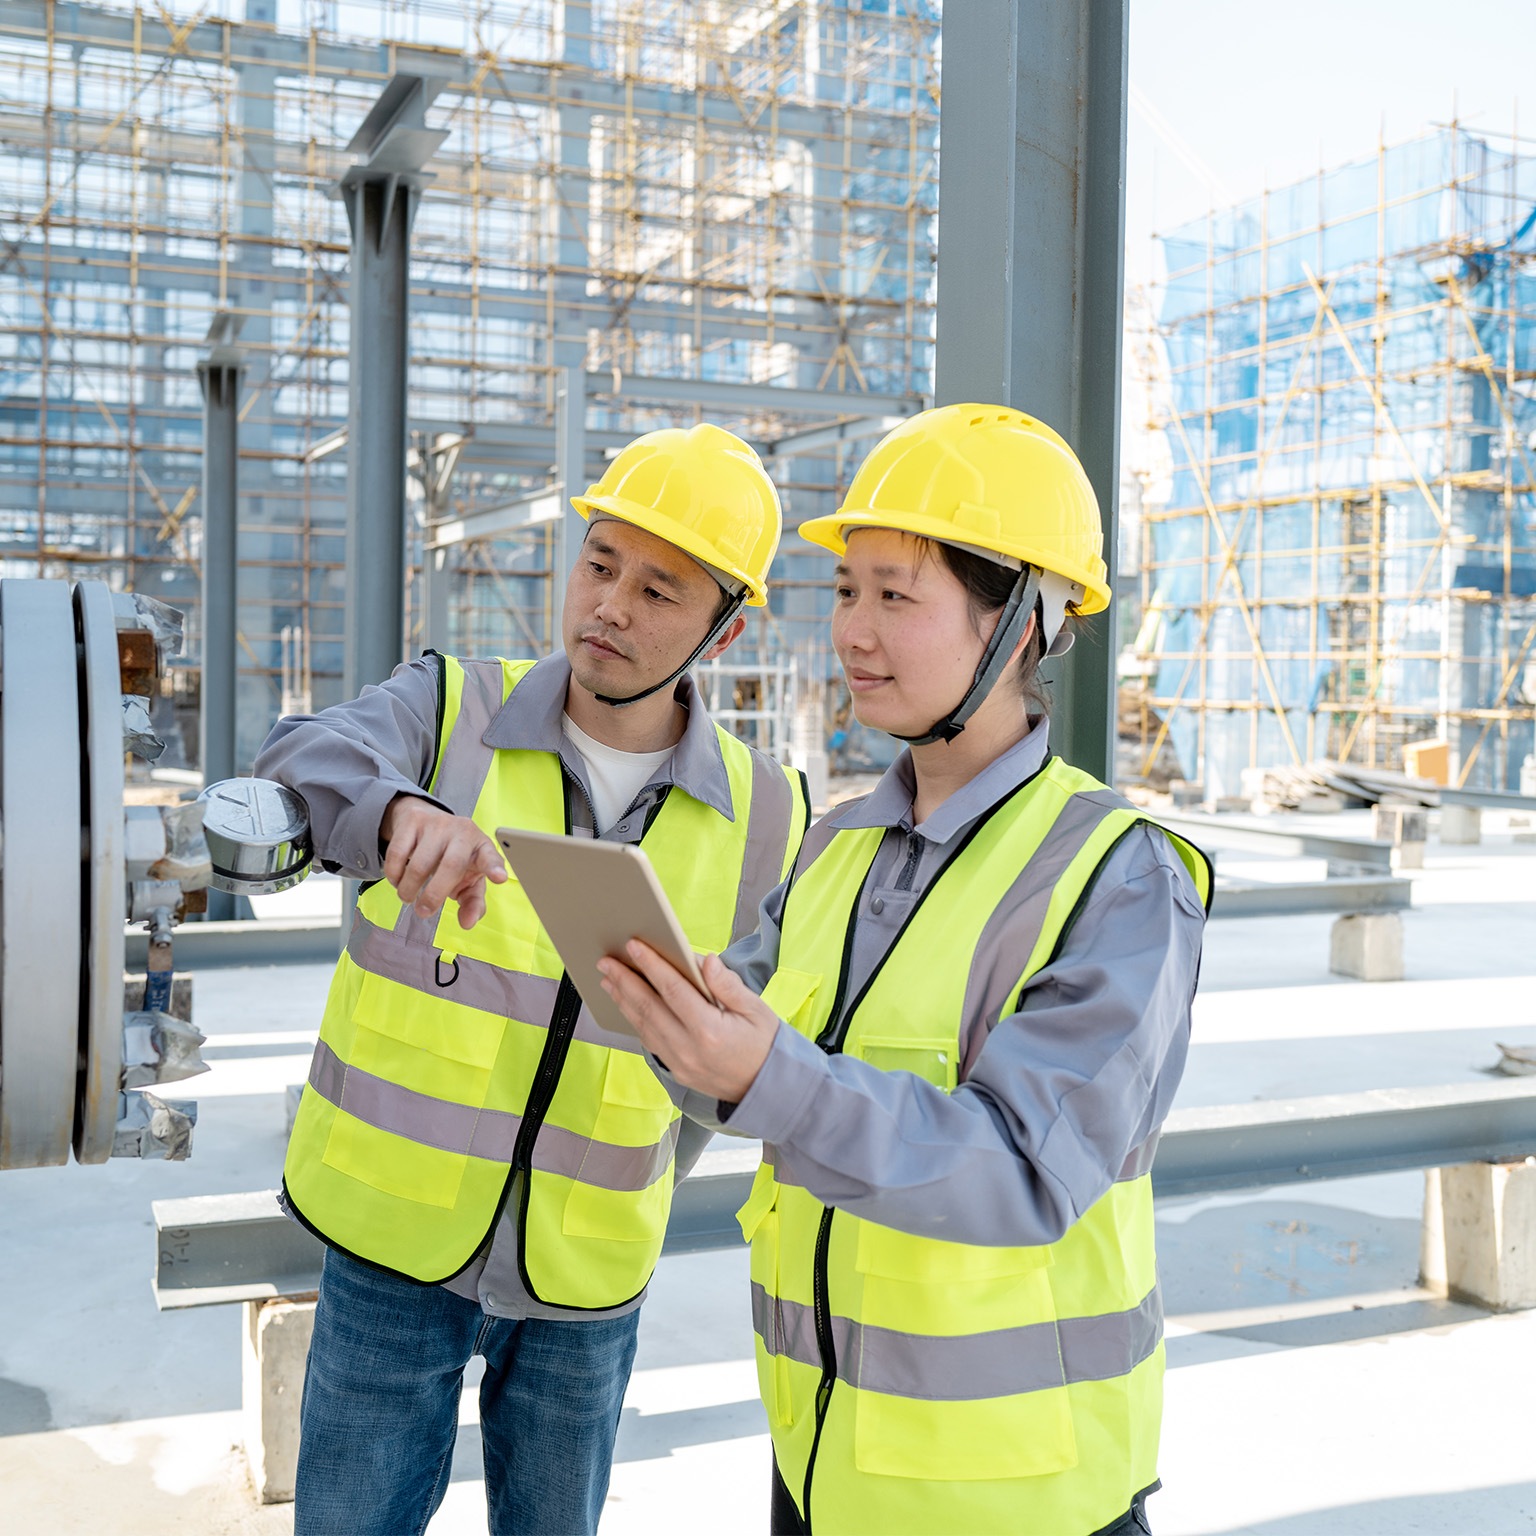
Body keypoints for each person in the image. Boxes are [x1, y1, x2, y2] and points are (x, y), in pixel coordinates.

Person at [598, 404, 1212, 1536]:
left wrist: (766, 1073)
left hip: (1015, 1499)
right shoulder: (836, 848)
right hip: (824, 1469)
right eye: (845, 591)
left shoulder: (1122, 878)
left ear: (1021, 621)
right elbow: (738, 1074)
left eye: (896, 595)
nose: (853, 634)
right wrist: (670, 1015)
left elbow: (1026, 1173)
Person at [255, 423, 809, 1536]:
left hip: (584, 1279)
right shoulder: (451, 709)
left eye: (660, 590)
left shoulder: (770, 816)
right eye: (600, 564)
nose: (610, 604)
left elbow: (739, 1065)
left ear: (725, 627)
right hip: (391, 1247)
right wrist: (399, 811)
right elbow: (298, 755)